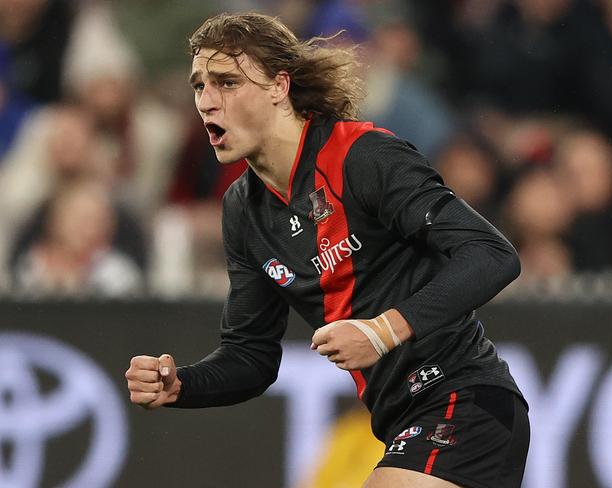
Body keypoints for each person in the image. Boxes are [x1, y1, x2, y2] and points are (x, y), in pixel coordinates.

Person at [125, 12, 529, 488]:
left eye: (227, 82)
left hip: (468, 401)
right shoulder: (242, 210)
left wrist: (381, 331)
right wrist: (182, 384)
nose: (207, 102)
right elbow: (250, 357)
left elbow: (491, 254)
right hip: (401, 423)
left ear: (279, 86)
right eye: (199, 86)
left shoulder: (364, 157)